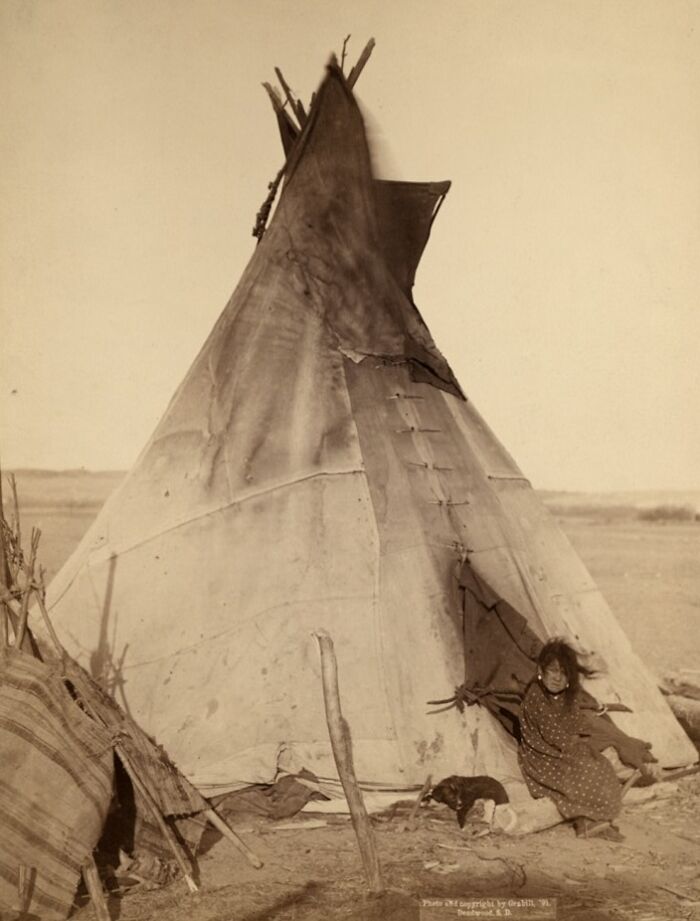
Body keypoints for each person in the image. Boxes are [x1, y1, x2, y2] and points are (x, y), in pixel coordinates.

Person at [518, 638, 625, 841]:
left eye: (564, 672)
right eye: (553, 671)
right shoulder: (536, 696)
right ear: (541, 670)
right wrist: (575, 745)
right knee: (580, 771)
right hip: (542, 752)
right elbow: (551, 734)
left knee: (601, 765)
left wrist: (579, 742)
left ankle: (599, 820)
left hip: (564, 745)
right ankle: (585, 823)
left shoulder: (569, 694)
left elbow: (575, 720)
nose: (558, 678)